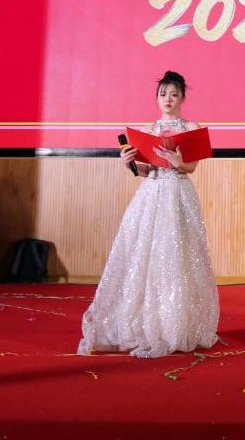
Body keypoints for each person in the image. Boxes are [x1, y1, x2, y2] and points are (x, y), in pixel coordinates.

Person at [78, 70, 219, 357]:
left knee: (177, 257)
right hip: (151, 194)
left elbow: (191, 167)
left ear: (182, 98)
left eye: (174, 94)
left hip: (178, 193)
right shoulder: (148, 129)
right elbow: (143, 170)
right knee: (142, 256)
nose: (168, 99)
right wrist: (129, 163)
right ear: (157, 98)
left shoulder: (191, 127)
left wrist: (178, 161)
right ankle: (143, 325)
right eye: (163, 94)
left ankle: (176, 325)